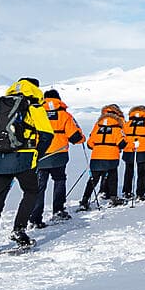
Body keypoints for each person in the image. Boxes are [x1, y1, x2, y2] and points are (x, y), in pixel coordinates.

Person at [0, 78, 55, 256]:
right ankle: (19, 229)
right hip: (24, 158)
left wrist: (0, 144)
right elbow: (47, 135)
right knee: (31, 192)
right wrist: (36, 154)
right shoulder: (34, 107)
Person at [37, 90, 85, 223]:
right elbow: (75, 136)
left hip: (40, 155)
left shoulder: (37, 113)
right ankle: (58, 210)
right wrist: (82, 139)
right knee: (59, 180)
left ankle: (35, 217)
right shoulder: (65, 115)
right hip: (59, 154)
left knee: (39, 186)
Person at [80, 105, 128, 210]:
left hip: (96, 156)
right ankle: (113, 198)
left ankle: (84, 200)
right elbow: (121, 143)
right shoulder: (117, 127)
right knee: (112, 177)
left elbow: (90, 144)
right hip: (111, 156)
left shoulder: (97, 126)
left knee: (93, 179)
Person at [123, 104, 145, 200]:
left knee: (128, 171)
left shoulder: (128, 122)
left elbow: (122, 133)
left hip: (129, 148)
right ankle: (140, 193)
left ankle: (127, 191)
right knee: (142, 172)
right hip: (143, 149)